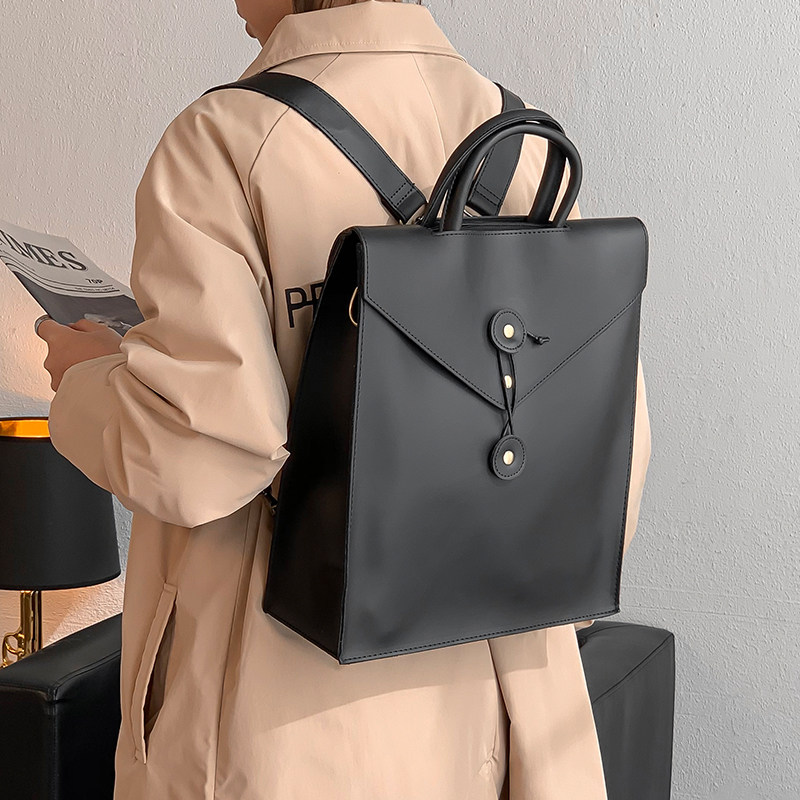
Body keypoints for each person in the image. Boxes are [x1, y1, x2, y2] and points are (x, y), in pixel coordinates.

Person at [36, 1, 652, 798]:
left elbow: (204, 454)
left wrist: (89, 378)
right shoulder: (521, 138)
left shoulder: (227, 140)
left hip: (292, 705)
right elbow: (608, 439)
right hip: (508, 698)